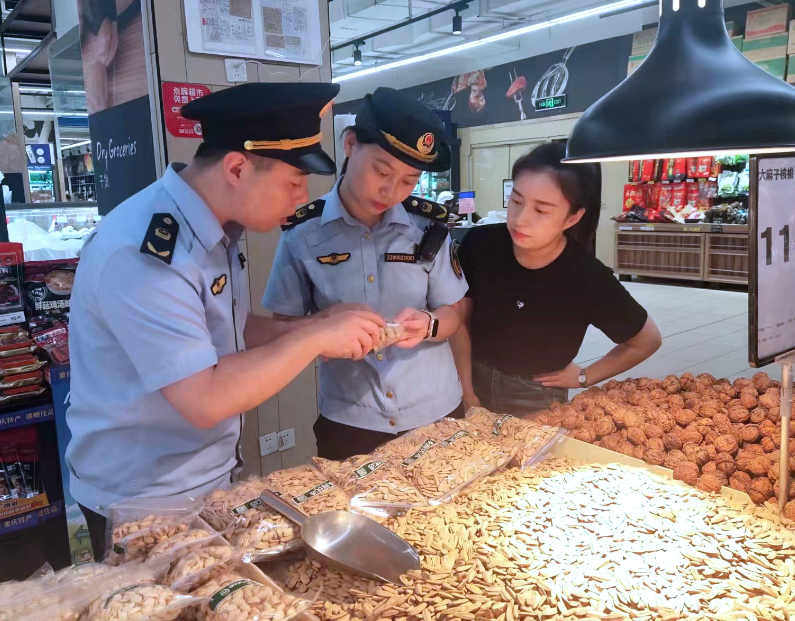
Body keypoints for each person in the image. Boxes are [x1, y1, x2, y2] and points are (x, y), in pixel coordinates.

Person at [66, 82, 384, 559]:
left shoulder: (213, 227)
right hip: (142, 501)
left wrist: (312, 325)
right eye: (294, 183)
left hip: (204, 479)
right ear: (237, 167)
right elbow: (205, 397)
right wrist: (317, 336)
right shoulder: (147, 252)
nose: (300, 200)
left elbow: (228, 332)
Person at [260, 87, 468, 460]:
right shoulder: (303, 232)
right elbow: (282, 326)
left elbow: (456, 311)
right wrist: (324, 327)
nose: (391, 191)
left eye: (408, 181)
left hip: (435, 413)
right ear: (351, 144)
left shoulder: (428, 227)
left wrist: (429, 324)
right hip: (351, 420)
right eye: (381, 171)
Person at [450, 142, 661, 416]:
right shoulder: (481, 244)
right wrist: (467, 392)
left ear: (573, 217)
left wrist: (585, 376)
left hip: (534, 396)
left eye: (541, 210)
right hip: (469, 377)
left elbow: (646, 340)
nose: (520, 219)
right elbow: (460, 322)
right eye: (516, 201)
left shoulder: (585, 275)